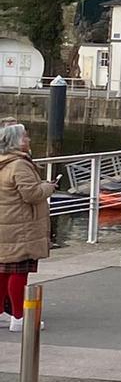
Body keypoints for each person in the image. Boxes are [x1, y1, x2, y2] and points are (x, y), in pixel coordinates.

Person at [0, 121, 58, 333]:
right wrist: (49, 187)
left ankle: (1, 313)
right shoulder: (19, 165)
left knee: (4, 271)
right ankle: (19, 317)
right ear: (16, 141)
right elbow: (31, 194)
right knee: (19, 272)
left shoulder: (4, 162)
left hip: (7, 223)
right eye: (25, 137)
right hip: (21, 226)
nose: (28, 140)